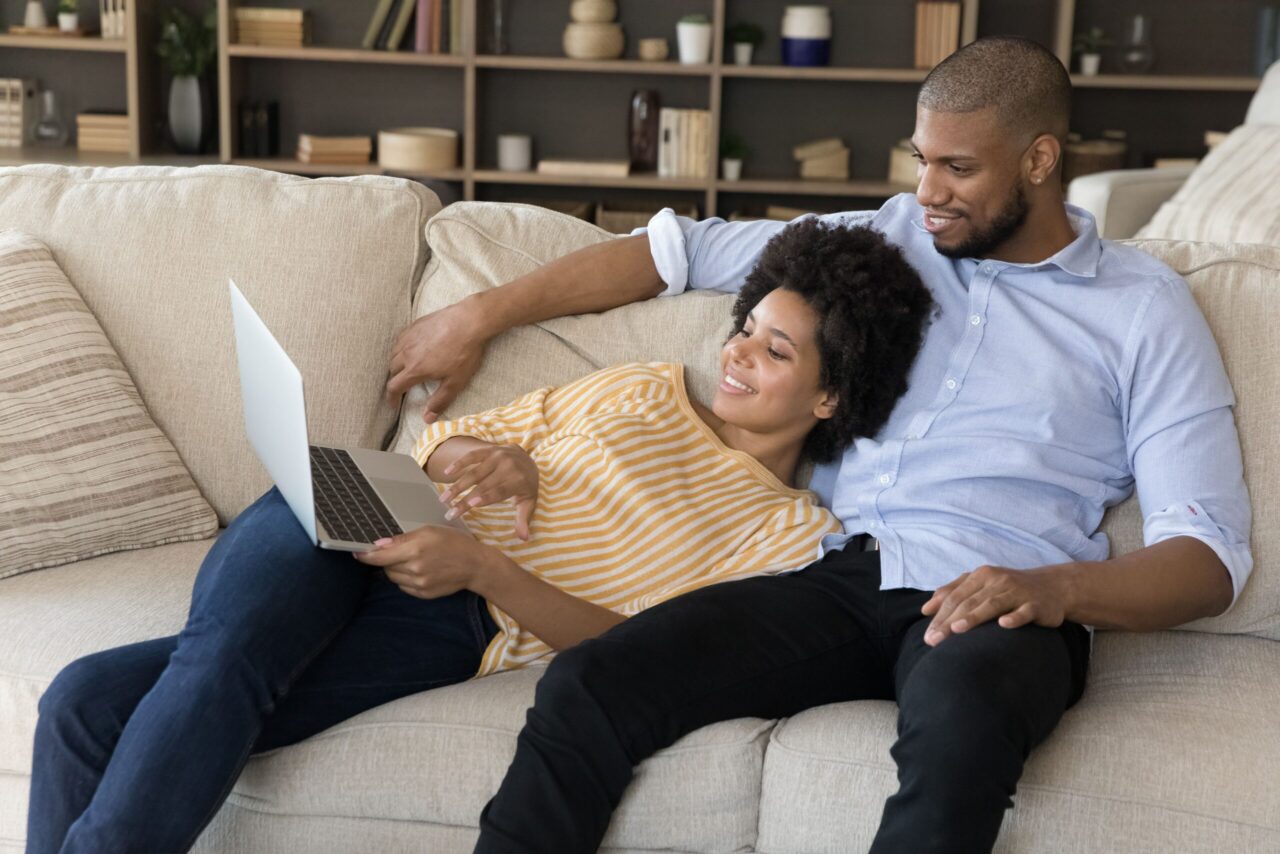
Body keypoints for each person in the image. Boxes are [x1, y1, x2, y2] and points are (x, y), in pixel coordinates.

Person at [382, 38, 1253, 854]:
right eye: (922, 160)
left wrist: (1052, 589)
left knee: (961, 731)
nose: (929, 192)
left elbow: (1208, 559)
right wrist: (479, 314)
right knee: (591, 684)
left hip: (1003, 599)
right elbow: (668, 253)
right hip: (837, 578)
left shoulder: (1143, 310)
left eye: (959, 168)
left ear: (1040, 160)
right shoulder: (882, 244)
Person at [25, 220, 932, 854]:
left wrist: (484, 567)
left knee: (83, 702)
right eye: (747, 330)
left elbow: (639, 655)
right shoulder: (648, 387)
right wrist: (495, 458)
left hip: (454, 616)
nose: (737, 354)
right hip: (374, 499)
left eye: (776, 353)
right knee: (224, 662)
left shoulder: (785, 536)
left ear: (831, 397)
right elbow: (435, 443)